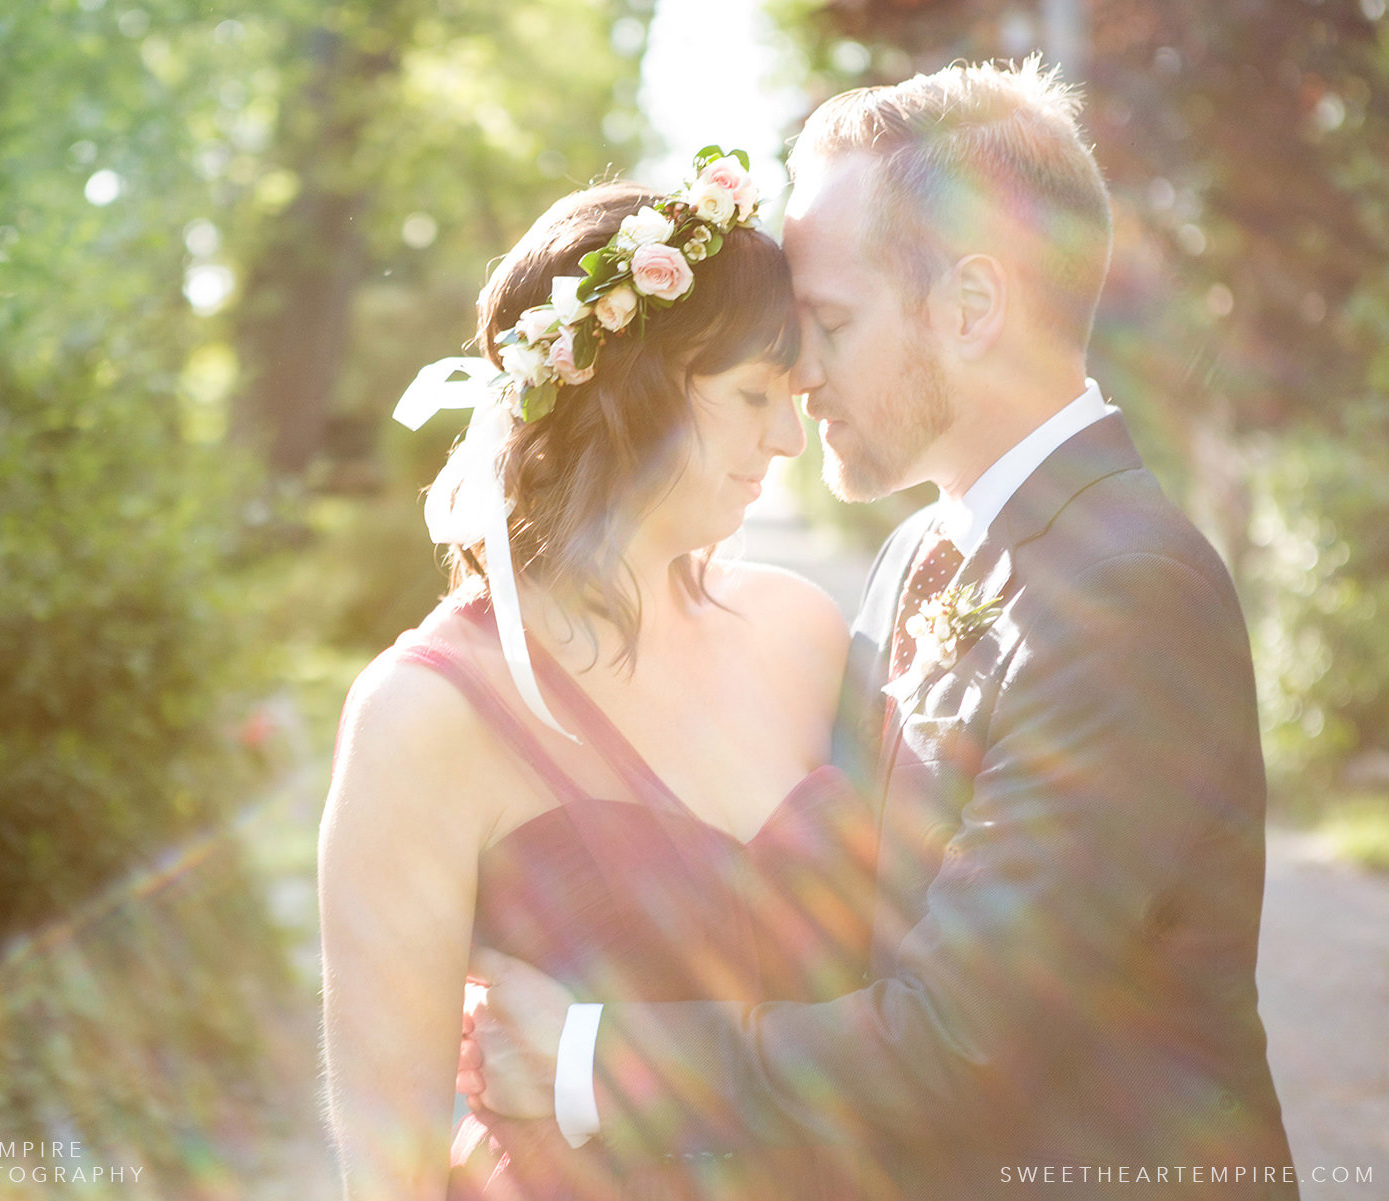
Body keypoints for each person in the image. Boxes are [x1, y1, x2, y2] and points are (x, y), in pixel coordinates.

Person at [458, 59, 1300, 1200]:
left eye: (830, 322)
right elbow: (823, 894)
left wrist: (586, 1059)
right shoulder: (918, 557)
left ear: (969, 307)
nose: (798, 374)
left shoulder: (1131, 592)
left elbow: (956, 1042)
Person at [318, 156, 881, 1201]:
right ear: (630, 394)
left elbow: (910, 999)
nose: (788, 437)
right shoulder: (428, 716)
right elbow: (386, 1161)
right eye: (755, 394)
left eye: (794, 397)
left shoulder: (802, 632)